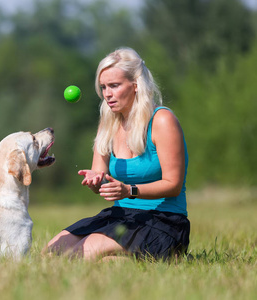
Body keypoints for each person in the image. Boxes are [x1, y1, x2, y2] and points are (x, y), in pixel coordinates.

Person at [43, 47, 190, 261]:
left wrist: (129, 190)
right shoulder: (108, 120)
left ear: (136, 85)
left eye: (114, 86)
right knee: (52, 252)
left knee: (82, 254)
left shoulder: (162, 120)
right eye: (103, 87)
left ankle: (163, 256)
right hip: (121, 216)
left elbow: (173, 184)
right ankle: (123, 259)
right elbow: (99, 175)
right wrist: (95, 181)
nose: (107, 94)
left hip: (164, 221)